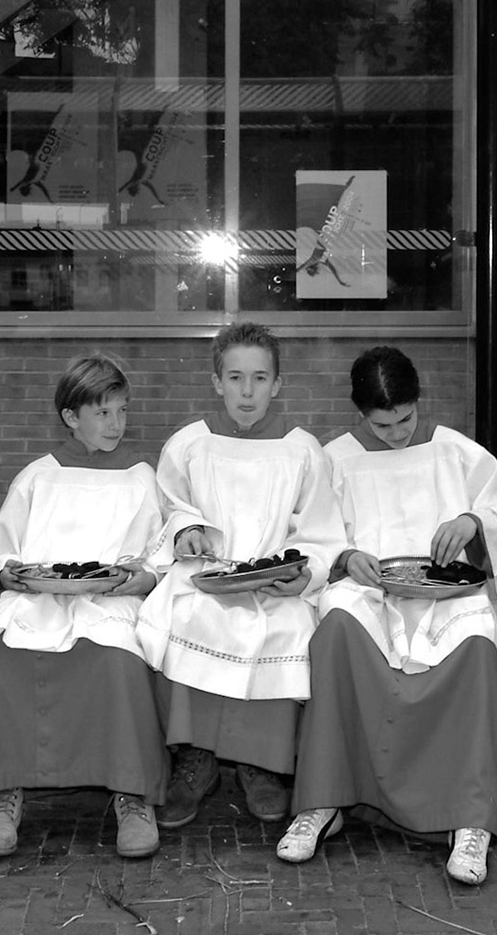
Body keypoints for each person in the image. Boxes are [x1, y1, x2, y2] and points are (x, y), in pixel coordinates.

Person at [275, 345, 497, 886]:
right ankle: (322, 803)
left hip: (446, 592)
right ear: (359, 413)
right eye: (381, 422)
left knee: (478, 640)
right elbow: (311, 539)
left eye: (406, 418)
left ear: (419, 401)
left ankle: (470, 820)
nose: (395, 433)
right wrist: (345, 557)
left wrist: (472, 521)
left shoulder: (455, 452)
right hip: (369, 592)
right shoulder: (336, 458)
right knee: (335, 629)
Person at [0, 353, 169, 859]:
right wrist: (7, 574)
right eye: (103, 413)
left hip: (109, 603)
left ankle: (132, 795)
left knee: (117, 658)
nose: (117, 424)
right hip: (38, 600)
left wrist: (141, 577)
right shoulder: (38, 477)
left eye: (122, 410)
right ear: (72, 417)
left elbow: (158, 553)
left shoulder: (141, 476)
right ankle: (2, 794)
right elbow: (2, 550)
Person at [137, 321, 347, 829]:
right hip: (205, 576)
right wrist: (188, 529)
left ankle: (262, 765)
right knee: (187, 616)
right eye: (235, 378)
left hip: (275, 581)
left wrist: (305, 574)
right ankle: (196, 760)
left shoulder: (301, 450)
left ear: (277, 384)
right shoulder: (189, 445)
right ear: (216, 382)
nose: (246, 392)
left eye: (259, 378)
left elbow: (323, 531)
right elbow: (166, 508)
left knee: (287, 625)